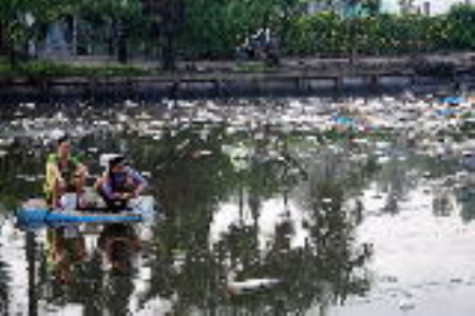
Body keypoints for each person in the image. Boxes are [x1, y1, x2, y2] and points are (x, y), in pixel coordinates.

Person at [44, 135, 87, 208]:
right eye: (65, 147)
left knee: (80, 176)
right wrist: (60, 179)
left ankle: (79, 200)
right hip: (53, 188)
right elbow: (54, 169)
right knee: (56, 180)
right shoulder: (53, 158)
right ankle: (55, 204)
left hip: (65, 187)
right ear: (59, 147)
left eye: (69, 147)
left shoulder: (70, 159)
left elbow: (83, 167)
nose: (67, 149)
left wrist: (80, 172)